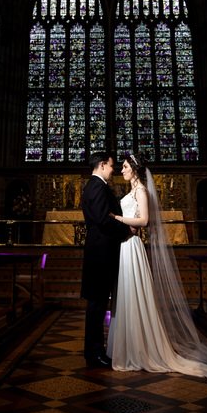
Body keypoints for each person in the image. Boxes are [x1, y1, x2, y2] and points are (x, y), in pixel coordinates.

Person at [107, 152, 207, 377]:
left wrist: (117, 219)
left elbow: (144, 221)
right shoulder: (131, 191)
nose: (122, 170)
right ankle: (128, 347)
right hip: (124, 246)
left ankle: (141, 349)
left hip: (133, 246)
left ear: (134, 169)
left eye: (125, 166)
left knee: (136, 294)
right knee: (126, 295)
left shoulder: (142, 192)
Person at [80, 151, 130, 368]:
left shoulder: (93, 186)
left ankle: (93, 350)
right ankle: (94, 353)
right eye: (111, 166)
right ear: (101, 165)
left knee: (97, 305)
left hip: (98, 252)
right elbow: (102, 219)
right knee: (97, 305)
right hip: (100, 254)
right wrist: (126, 230)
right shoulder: (97, 186)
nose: (113, 170)